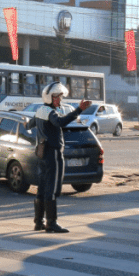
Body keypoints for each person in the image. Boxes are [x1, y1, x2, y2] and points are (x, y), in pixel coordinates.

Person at [27, 82, 89, 234]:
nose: (60, 100)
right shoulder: (51, 113)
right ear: (50, 98)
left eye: (60, 97)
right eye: (57, 97)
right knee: (53, 188)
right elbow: (61, 122)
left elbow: (29, 124)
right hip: (53, 153)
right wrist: (79, 109)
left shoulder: (40, 111)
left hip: (41, 153)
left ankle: (39, 222)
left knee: (42, 187)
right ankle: (51, 223)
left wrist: (26, 124)